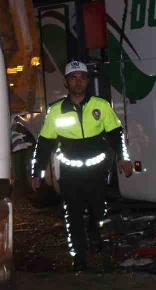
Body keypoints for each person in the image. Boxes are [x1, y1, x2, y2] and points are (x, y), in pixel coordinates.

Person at [31, 60, 133, 271]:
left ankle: (96, 238)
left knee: (98, 210)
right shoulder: (56, 111)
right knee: (73, 214)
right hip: (70, 174)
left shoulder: (101, 106)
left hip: (96, 171)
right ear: (66, 82)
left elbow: (116, 134)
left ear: (87, 81)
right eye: (73, 78)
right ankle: (79, 256)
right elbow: (44, 143)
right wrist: (37, 172)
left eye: (81, 77)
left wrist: (123, 158)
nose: (78, 82)